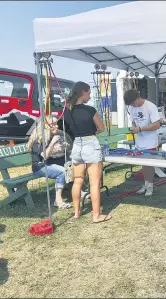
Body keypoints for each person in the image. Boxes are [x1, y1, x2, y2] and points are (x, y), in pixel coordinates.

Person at [64, 81, 111, 223]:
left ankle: (77, 212)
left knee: (77, 181)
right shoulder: (90, 110)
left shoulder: (67, 110)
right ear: (82, 92)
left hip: (77, 145)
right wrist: (94, 131)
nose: (90, 95)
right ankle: (96, 215)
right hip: (90, 143)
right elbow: (102, 128)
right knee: (94, 183)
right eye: (89, 92)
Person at [28, 120, 73, 209]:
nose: (57, 126)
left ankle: (78, 191)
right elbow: (44, 156)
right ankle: (58, 200)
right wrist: (52, 143)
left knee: (72, 165)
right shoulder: (38, 140)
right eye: (53, 124)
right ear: (46, 126)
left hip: (51, 163)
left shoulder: (54, 135)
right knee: (62, 172)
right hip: (40, 167)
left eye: (56, 124)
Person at [123, 89, 161, 197]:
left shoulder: (150, 106)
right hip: (140, 141)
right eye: (131, 104)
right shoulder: (132, 107)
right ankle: (146, 184)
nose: (133, 106)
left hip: (150, 141)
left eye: (133, 103)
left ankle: (150, 186)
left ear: (138, 98)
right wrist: (134, 128)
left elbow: (157, 125)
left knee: (149, 165)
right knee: (144, 165)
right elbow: (133, 121)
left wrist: (140, 129)